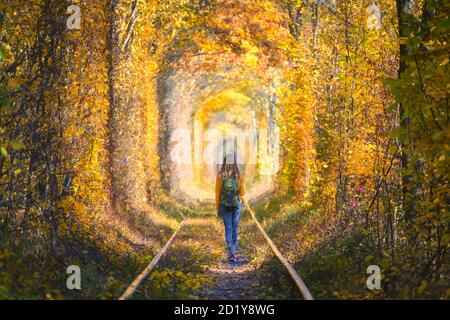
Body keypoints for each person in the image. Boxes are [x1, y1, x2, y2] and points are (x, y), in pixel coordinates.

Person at [215, 154, 245, 262]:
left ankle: (231, 253)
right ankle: (233, 252)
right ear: (235, 163)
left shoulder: (220, 175)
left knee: (228, 228)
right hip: (236, 204)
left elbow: (217, 193)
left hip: (224, 204)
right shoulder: (238, 174)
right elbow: (242, 192)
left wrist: (218, 207)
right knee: (234, 228)